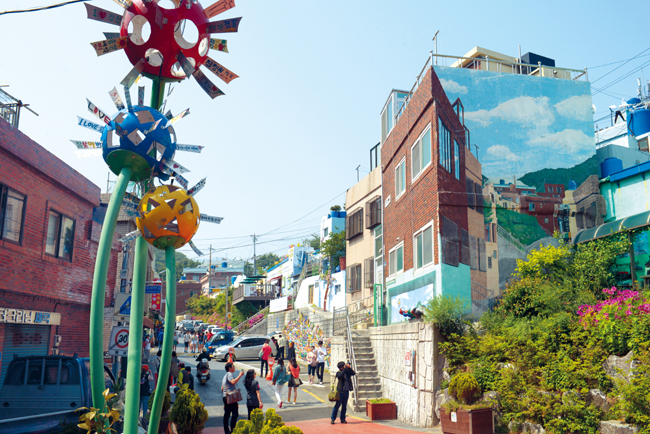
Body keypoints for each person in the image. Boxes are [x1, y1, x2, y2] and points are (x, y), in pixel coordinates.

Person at [222, 362, 245, 434]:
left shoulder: (225, 376)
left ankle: (226, 431)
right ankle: (233, 430)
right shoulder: (229, 374)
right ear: (230, 368)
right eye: (233, 366)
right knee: (235, 414)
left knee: (227, 414)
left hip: (226, 396)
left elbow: (222, 388)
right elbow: (233, 382)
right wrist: (240, 375)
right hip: (230, 397)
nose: (234, 367)